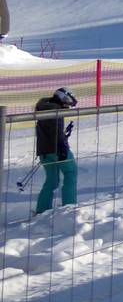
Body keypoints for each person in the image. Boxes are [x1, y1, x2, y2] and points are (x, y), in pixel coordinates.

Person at [35, 87, 78, 215]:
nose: (67, 107)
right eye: (67, 104)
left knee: (52, 180)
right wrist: (63, 145)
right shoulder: (56, 110)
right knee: (71, 172)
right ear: (62, 99)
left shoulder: (44, 107)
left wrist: (62, 136)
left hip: (44, 150)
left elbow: (50, 131)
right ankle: (69, 207)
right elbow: (55, 131)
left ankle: (41, 210)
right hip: (57, 150)